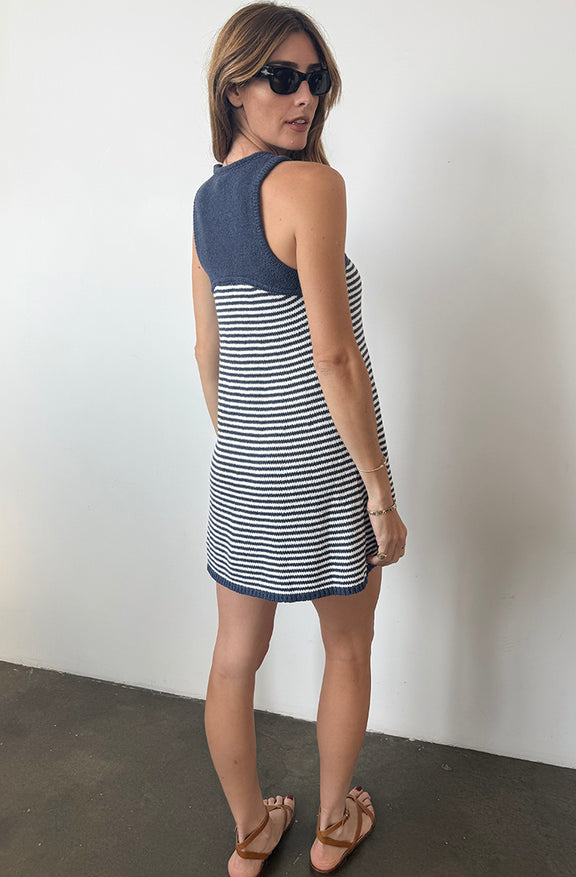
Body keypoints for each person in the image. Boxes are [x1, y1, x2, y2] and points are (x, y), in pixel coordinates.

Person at [191, 3, 407, 874]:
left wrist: (248, 443)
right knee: (347, 644)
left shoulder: (207, 203)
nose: (305, 96)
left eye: (315, 78)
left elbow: (208, 350)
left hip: (244, 471)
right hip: (323, 475)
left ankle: (250, 835)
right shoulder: (313, 187)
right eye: (282, 77)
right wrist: (381, 492)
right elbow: (335, 356)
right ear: (232, 86)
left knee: (233, 658)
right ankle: (331, 829)